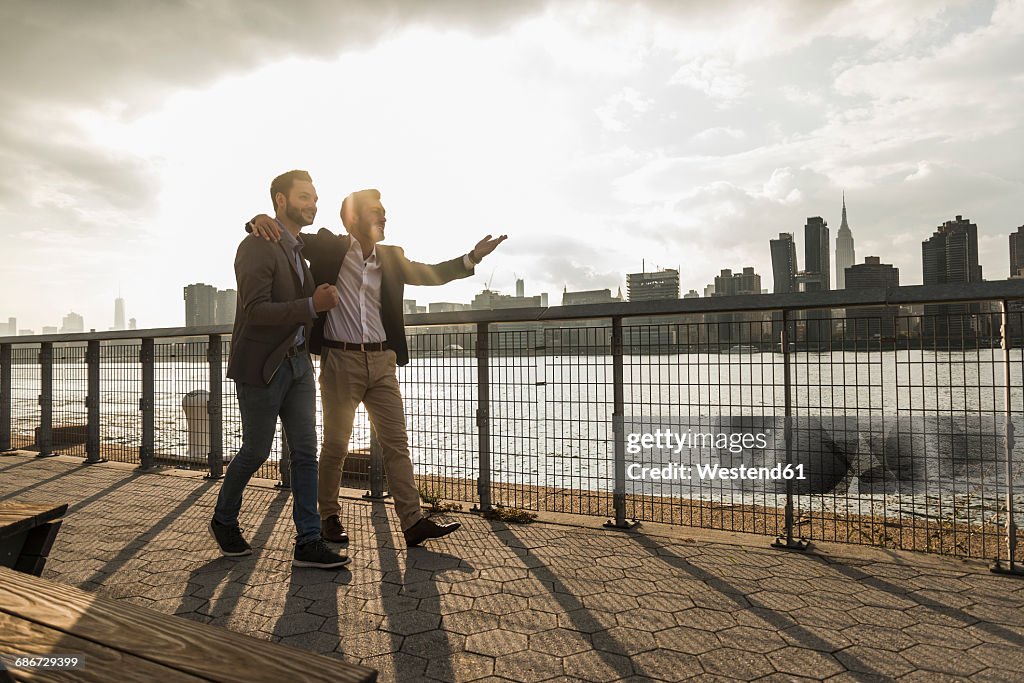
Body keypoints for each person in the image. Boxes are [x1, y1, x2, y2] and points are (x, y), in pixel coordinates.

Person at [248, 188, 506, 547]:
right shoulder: (327, 247)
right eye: (375, 212)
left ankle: (412, 521)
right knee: (336, 446)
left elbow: (430, 273)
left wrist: (472, 257)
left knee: (396, 443)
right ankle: (328, 517)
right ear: (353, 219)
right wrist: (256, 220)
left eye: (384, 212)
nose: (384, 217)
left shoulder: (391, 256)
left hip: (383, 361)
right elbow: (286, 238)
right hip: (341, 360)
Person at [210, 169, 350, 569]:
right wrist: (311, 306)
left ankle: (307, 541)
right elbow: (254, 312)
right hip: (264, 367)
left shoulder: (296, 249)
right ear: (280, 200)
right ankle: (223, 519)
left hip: (300, 365)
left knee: (306, 453)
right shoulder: (257, 245)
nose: (313, 204)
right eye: (304, 196)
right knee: (257, 450)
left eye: (315, 197)